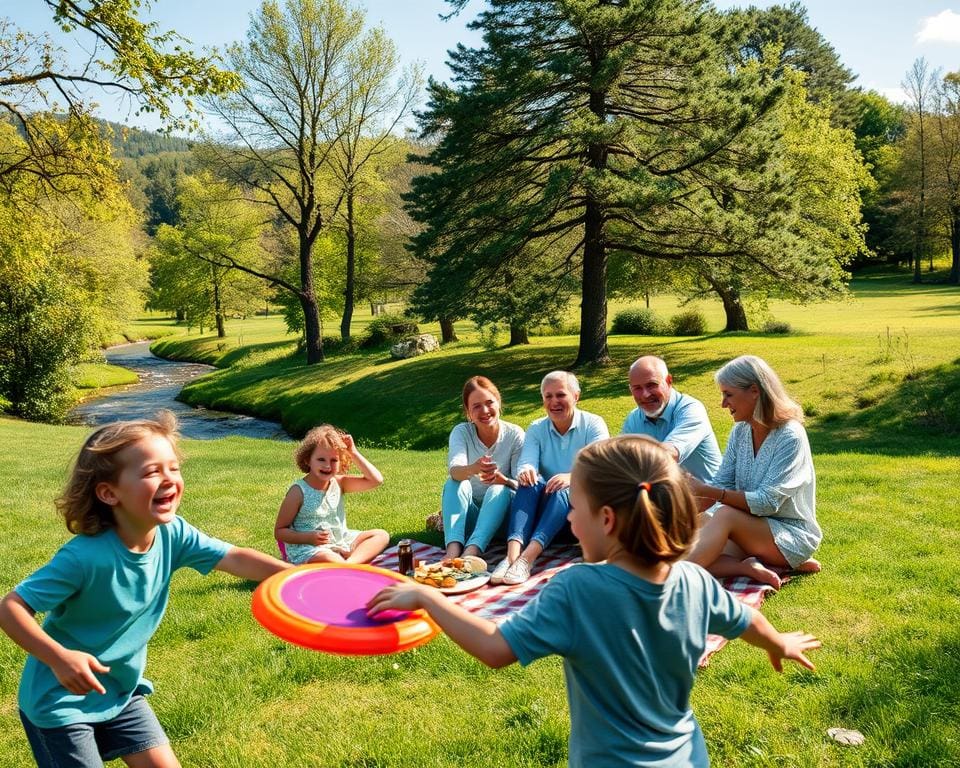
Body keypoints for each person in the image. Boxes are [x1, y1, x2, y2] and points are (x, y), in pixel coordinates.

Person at [366, 436, 820, 767]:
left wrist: (427, 597)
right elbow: (744, 620)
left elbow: (495, 649)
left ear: (605, 519)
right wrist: (778, 642)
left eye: (574, 507)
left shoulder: (577, 589)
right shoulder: (693, 579)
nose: (568, 518)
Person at [0, 411, 290, 768]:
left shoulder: (174, 534)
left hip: (120, 692)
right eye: (153, 472)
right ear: (109, 493)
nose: (169, 479)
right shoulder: (84, 558)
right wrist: (60, 658)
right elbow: (10, 607)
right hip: (61, 702)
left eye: (174, 468)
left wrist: (297, 577)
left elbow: (235, 558)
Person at [686, 355, 822, 589]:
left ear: (754, 391)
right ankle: (747, 567)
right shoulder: (740, 432)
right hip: (748, 530)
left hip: (791, 536)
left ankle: (664, 579)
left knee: (723, 516)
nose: (723, 404)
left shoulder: (790, 436)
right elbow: (721, 483)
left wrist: (706, 490)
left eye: (728, 394)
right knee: (686, 534)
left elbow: (767, 503)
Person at [493, 371, 609, 585]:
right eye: (548, 396)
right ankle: (511, 558)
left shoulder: (593, 424)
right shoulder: (537, 428)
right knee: (529, 482)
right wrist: (526, 471)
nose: (554, 401)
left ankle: (527, 559)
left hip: (577, 519)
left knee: (564, 490)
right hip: (543, 516)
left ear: (576, 396)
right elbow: (527, 461)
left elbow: (600, 467)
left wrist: (572, 477)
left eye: (561, 395)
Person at [275, 425, 388, 565]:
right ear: (307, 460)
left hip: (340, 540)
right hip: (310, 548)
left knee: (381, 535)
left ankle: (350, 564)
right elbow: (280, 531)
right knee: (329, 558)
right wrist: (308, 538)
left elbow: (376, 480)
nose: (328, 466)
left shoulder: (339, 483)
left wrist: (353, 452)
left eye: (334, 460)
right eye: (321, 459)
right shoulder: (298, 491)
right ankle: (343, 564)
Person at [440, 376, 524, 559]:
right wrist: (473, 469)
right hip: (471, 520)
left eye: (489, 402)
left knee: (498, 488)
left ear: (498, 402)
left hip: (503, 520)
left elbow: (524, 486)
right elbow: (455, 470)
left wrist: (504, 480)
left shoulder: (514, 434)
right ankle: (452, 552)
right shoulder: (462, 432)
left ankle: (472, 552)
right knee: (454, 482)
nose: (485, 411)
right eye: (476, 406)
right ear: (468, 412)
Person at [621, 355, 721, 482]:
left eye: (652, 385)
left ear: (668, 381)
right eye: (637, 388)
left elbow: (669, 455)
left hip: (710, 493)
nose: (645, 395)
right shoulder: (633, 419)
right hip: (665, 492)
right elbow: (621, 461)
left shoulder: (691, 409)